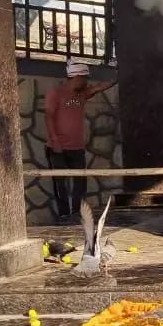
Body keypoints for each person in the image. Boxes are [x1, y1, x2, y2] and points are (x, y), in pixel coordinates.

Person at [45, 59, 115, 223]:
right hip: (57, 148)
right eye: (84, 78)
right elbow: (49, 116)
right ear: (76, 77)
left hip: (76, 148)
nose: (86, 82)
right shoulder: (55, 93)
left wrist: (116, 79)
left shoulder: (81, 94)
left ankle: (76, 214)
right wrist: (55, 140)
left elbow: (99, 87)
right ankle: (64, 215)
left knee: (79, 184)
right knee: (60, 183)